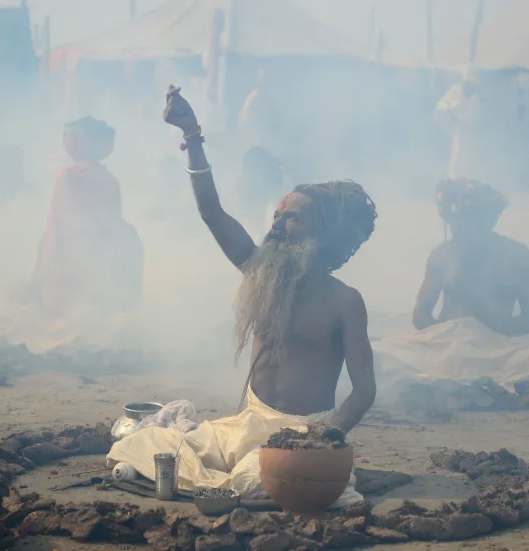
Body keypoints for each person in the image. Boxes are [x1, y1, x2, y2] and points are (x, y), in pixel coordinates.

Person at [107, 86, 378, 506]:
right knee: (138, 445)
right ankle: (221, 478)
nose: (277, 225)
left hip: (300, 431)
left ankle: (235, 479)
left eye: (292, 218)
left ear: (322, 234)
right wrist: (193, 135)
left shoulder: (344, 301)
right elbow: (212, 212)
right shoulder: (258, 269)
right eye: (276, 215)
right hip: (242, 426)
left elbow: (364, 391)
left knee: (263, 478)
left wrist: (325, 437)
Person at [29, 117, 143, 314]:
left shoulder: (68, 176)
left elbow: (57, 223)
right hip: (86, 257)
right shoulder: (102, 178)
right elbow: (113, 223)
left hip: (74, 254)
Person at [413, 178, 529, 337]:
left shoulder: (516, 255)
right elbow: (420, 315)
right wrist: (447, 334)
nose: (458, 229)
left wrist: (492, 335)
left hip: (498, 345)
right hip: (446, 343)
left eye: (468, 221)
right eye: (455, 223)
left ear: (488, 221)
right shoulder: (441, 255)